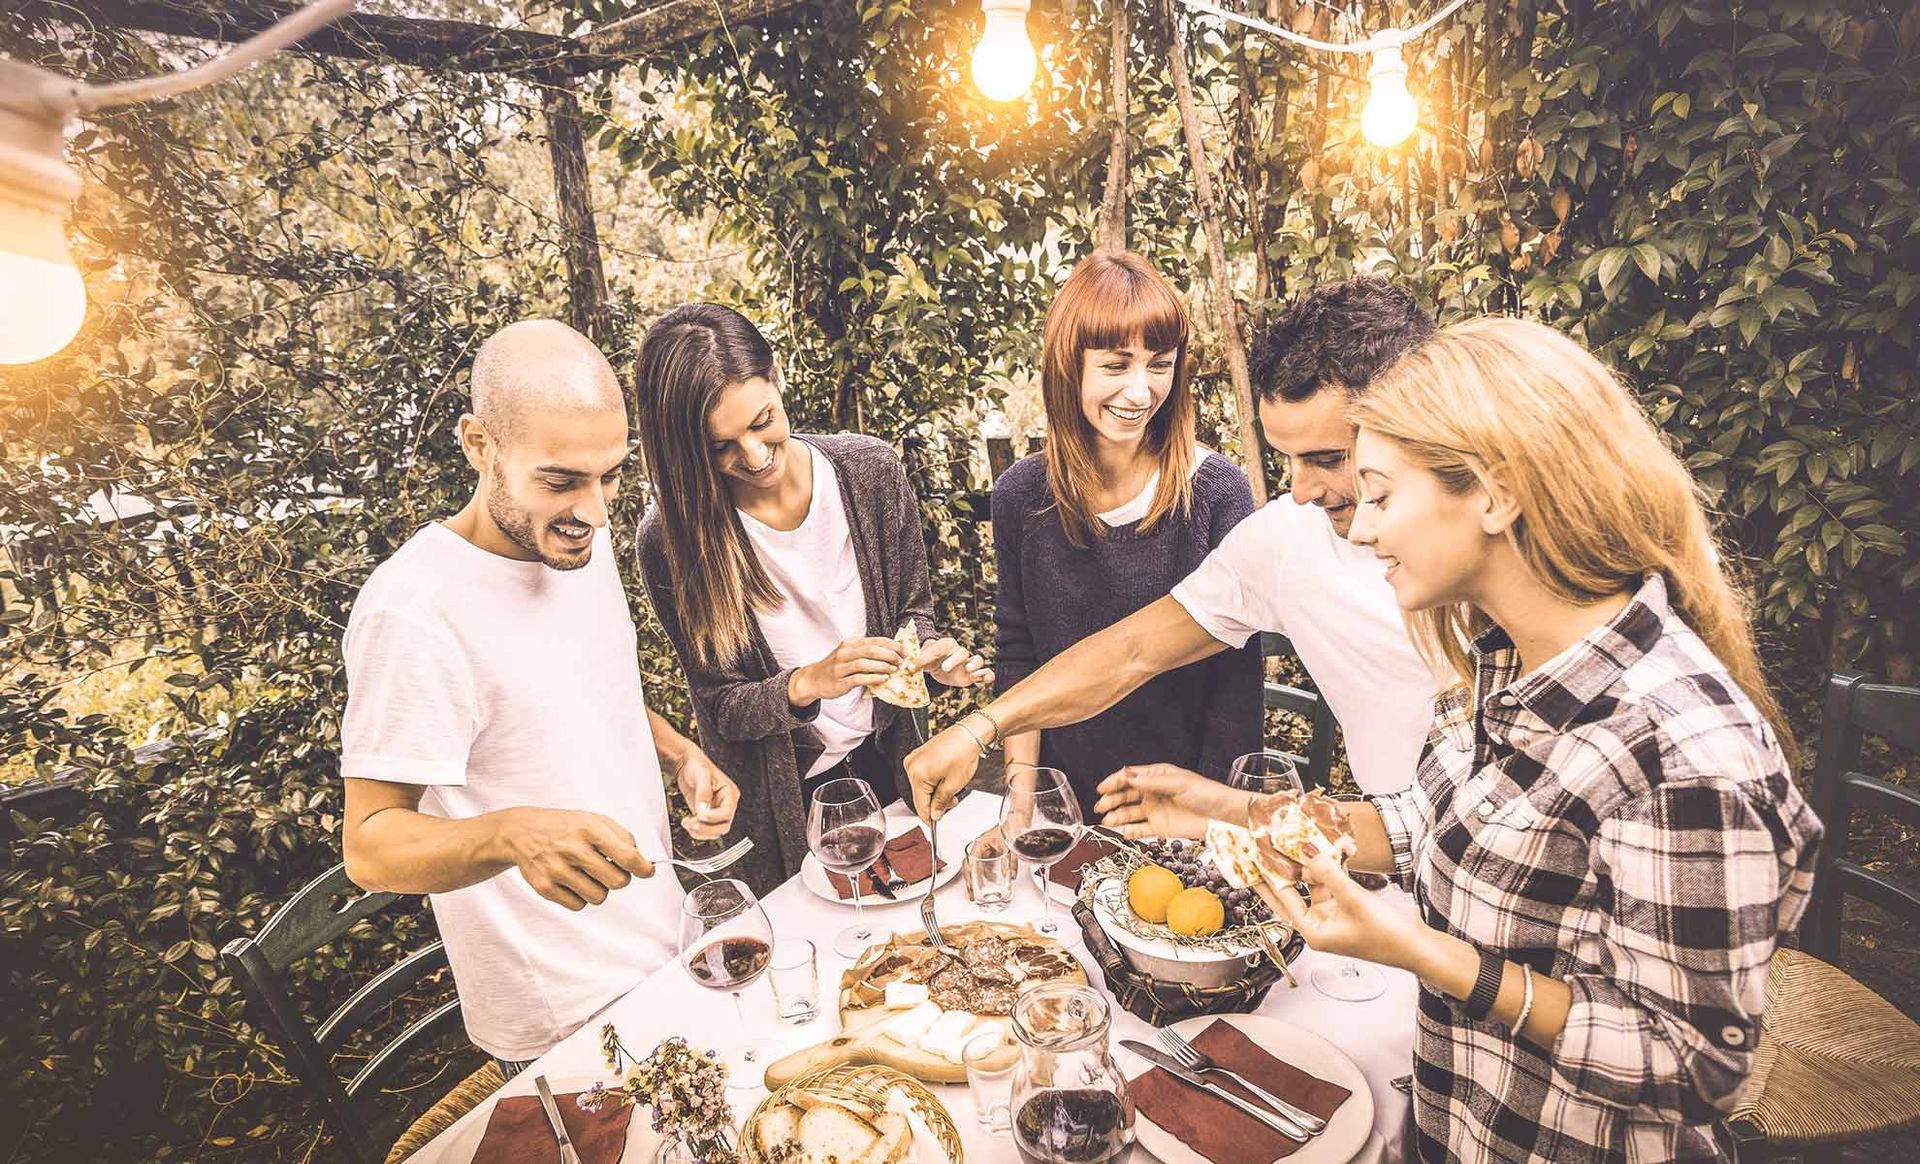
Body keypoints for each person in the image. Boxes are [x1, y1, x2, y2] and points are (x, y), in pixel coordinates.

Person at [1100, 317, 1822, 1162]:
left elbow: (1693, 1067)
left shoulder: (1681, 753)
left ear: (1494, 490)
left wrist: (1430, 956)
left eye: (1380, 493)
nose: (1362, 531)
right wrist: (1242, 813)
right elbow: (1435, 820)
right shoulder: (1503, 658)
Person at [339, 320, 742, 1076]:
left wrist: (680, 751)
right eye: (561, 480)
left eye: (612, 476)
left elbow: (569, 693)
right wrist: (512, 834)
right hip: (567, 1017)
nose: (595, 511)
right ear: (478, 445)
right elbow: (370, 847)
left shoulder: (570, 542)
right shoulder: (413, 610)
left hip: (663, 951)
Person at [908, 277, 1443, 820]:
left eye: (1328, 459)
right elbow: (1130, 652)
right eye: (1288, 460)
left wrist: (1221, 808)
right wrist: (980, 729)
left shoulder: (1491, 555)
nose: (1300, 490)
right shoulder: (1285, 538)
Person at [633, 304, 991, 894]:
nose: (753, 457)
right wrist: (809, 683)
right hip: (783, 807)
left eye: (762, 421)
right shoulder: (670, 541)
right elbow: (721, 707)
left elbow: (911, 613)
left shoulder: (871, 472)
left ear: (777, 379)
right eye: (720, 447)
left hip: (890, 766)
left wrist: (929, 655)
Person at [991, 250, 1259, 813]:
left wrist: (1206, 812)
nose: (1141, 393)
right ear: (1069, 366)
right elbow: (1020, 655)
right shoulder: (1020, 496)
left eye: (1159, 364)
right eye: (1116, 366)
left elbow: (1237, 686)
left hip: (1183, 806)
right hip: (1062, 802)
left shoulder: (1217, 492)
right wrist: (1020, 807)